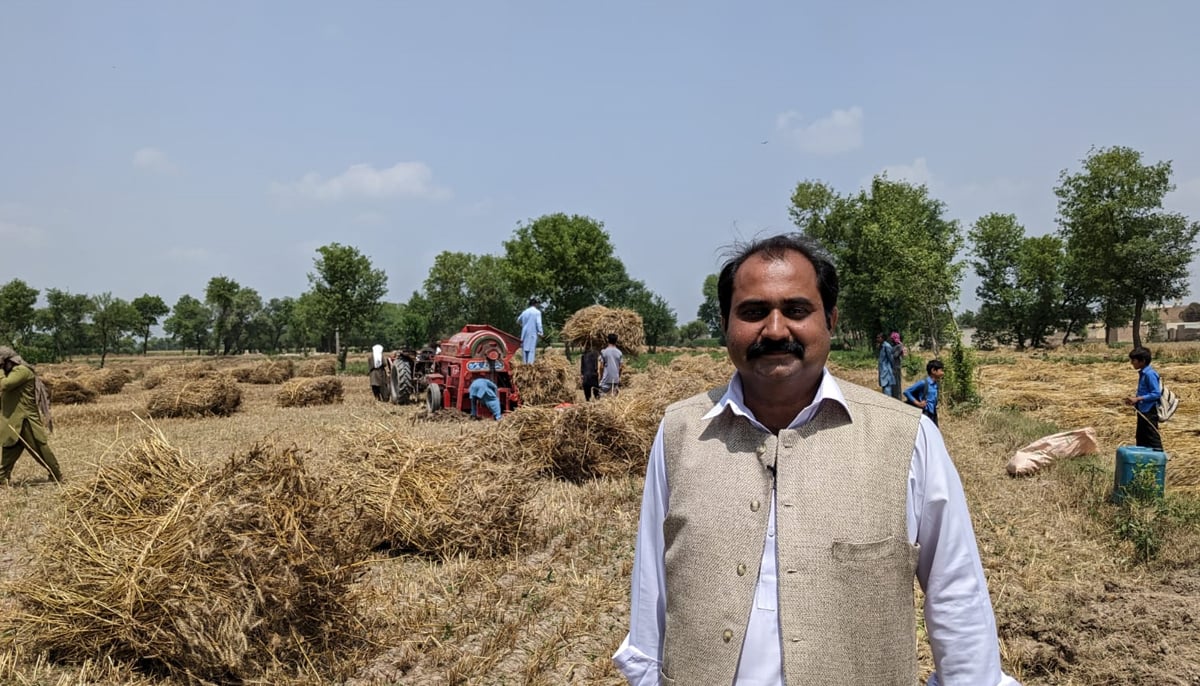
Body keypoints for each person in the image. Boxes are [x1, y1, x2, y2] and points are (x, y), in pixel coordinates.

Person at [612, 234, 1017, 686]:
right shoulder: (681, 432)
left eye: (797, 310)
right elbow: (652, 593)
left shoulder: (906, 437)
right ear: (726, 323)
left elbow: (956, 592)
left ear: (831, 319)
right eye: (753, 312)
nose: (775, 329)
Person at [0, 346, 65, 485]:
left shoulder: (22, 371)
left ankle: (56, 474)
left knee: (39, 449)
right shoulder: (12, 372)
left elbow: (4, 384)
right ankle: (2, 478)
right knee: (9, 448)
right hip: (13, 421)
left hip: (25, 421)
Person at [1125, 346, 1163, 451]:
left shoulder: (1149, 374)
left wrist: (1138, 399)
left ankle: (1158, 460)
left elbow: (1156, 393)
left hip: (1149, 411)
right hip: (1143, 410)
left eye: (1134, 360)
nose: (1132, 363)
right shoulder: (1143, 373)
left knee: (1152, 438)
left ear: (1143, 361)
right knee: (1141, 438)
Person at [904, 358, 946, 426]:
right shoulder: (923, 383)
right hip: (925, 413)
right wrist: (918, 403)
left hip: (933, 413)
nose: (942, 373)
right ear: (933, 370)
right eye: (941, 370)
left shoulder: (936, 384)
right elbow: (907, 392)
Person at [517, 297, 544, 363]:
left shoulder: (525, 312)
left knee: (524, 350)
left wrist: (523, 326)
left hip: (524, 334)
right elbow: (538, 323)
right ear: (536, 304)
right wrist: (541, 333)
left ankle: (524, 366)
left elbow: (518, 320)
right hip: (532, 334)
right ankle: (530, 367)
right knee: (531, 351)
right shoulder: (537, 312)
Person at [877, 332, 897, 397]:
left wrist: (893, 368)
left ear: (883, 338)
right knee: (884, 386)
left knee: (887, 387)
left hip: (886, 370)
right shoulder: (881, 346)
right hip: (882, 369)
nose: (877, 339)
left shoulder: (887, 346)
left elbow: (891, 359)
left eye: (879, 337)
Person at [888, 330, 906, 399]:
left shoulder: (899, 346)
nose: (891, 340)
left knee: (897, 384)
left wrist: (890, 354)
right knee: (893, 384)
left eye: (892, 339)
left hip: (896, 367)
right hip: (893, 367)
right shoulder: (894, 346)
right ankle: (894, 396)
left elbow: (895, 355)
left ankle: (898, 398)